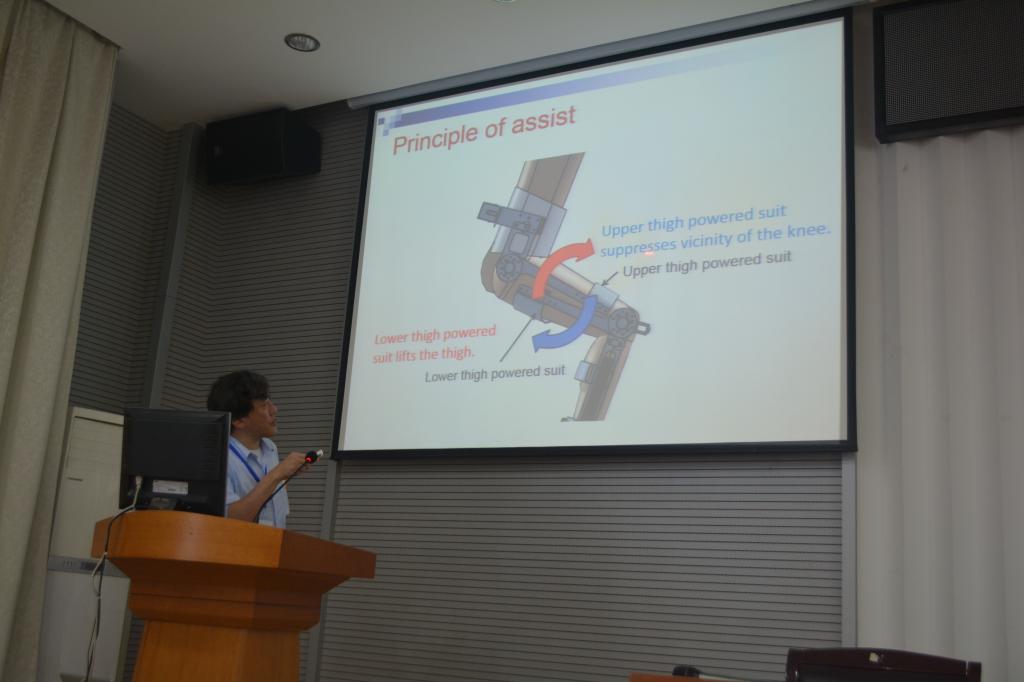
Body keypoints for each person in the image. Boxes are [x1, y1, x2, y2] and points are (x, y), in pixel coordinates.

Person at [206, 370, 312, 527]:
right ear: (239, 420)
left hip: (273, 539)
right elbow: (231, 519)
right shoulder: (217, 457)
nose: (274, 410)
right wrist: (276, 475)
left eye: (270, 402)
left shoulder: (270, 447)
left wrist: (284, 476)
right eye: (264, 406)